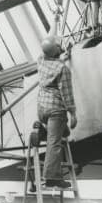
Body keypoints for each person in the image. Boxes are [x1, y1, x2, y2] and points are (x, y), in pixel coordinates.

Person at [36, 35, 77, 188]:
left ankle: (43, 130)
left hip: (42, 110)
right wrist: (73, 114)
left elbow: (51, 58)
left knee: (62, 132)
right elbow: (67, 94)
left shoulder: (41, 60)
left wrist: (62, 56)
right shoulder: (63, 69)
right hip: (56, 111)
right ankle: (52, 178)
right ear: (56, 51)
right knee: (54, 143)